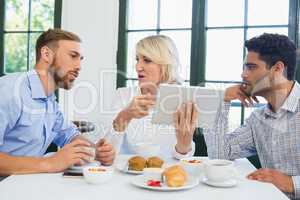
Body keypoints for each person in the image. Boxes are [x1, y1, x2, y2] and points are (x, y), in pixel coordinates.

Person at [0, 28, 115, 175]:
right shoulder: (8, 91)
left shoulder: (49, 103)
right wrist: (50, 163)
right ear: (46, 54)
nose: (79, 66)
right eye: (73, 56)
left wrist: (96, 151)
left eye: (80, 59)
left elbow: (70, 136)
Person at [203, 33, 299, 199]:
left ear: (277, 69)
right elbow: (220, 155)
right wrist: (223, 100)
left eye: (251, 67)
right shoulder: (258, 119)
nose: (243, 74)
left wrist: (291, 183)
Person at [107, 35, 197, 159]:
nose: (138, 67)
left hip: (168, 174)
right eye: (137, 59)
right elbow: (105, 151)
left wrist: (183, 145)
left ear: (165, 65)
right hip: (128, 174)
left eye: (147, 60)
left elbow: (184, 160)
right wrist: (124, 116)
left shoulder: (183, 99)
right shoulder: (123, 95)